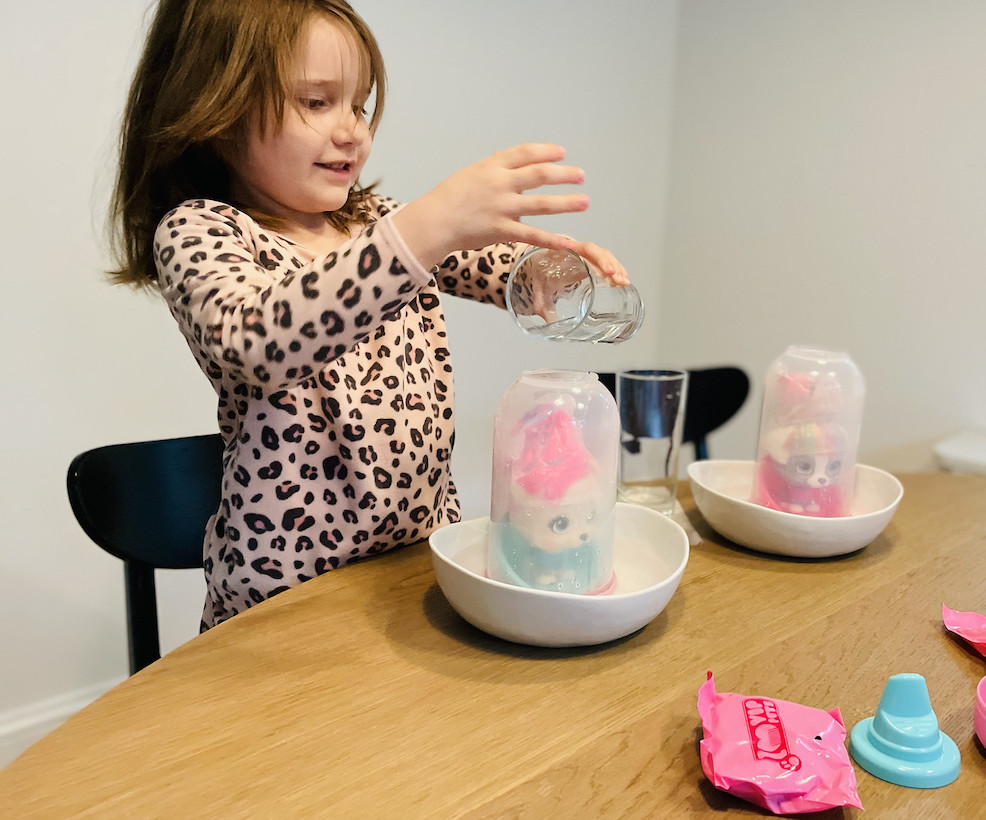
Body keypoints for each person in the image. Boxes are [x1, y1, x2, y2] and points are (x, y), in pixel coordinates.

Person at [108, 0, 629, 630]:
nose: (353, 129)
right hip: (285, 604)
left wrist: (545, 273)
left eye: (359, 104)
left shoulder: (370, 221)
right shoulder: (203, 232)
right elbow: (254, 343)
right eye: (316, 101)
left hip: (415, 569)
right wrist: (423, 227)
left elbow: (493, 268)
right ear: (219, 112)